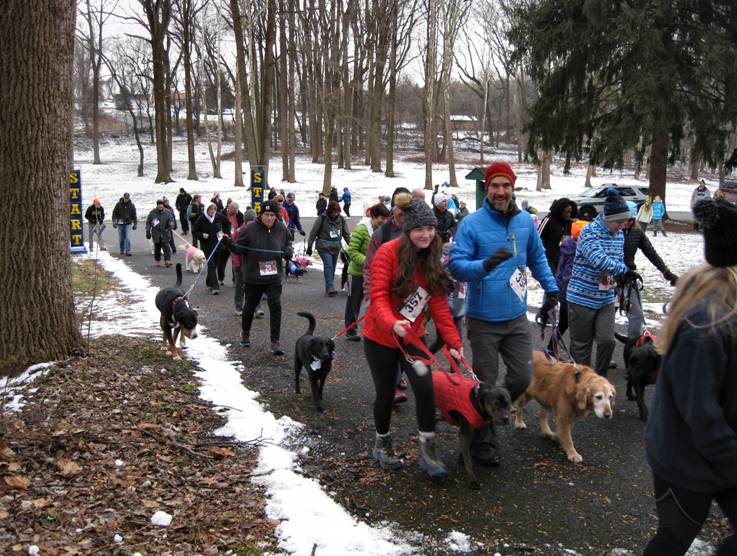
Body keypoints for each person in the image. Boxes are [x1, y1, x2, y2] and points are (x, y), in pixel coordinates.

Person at [643, 197, 737, 555]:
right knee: (672, 541)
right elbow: (699, 411)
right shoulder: (706, 324)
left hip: (722, 451)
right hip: (686, 460)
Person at [449, 161, 559, 467]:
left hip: (516, 318)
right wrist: (484, 265)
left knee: (523, 376)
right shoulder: (471, 223)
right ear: (487, 187)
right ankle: (482, 443)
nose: (500, 191)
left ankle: (491, 416)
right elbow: (455, 265)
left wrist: (551, 290)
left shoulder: (525, 221)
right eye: (495, 185)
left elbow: (537, 257)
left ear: (513, 187)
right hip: (483, 319)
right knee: (485, 384)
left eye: (505, 186)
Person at [363, 199, 463, 477]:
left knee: (425, 387)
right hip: (381, 336)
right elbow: (378, 296)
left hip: (412, 338)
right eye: (419, 228)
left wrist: (454, 343)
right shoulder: (388, 252)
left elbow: (440, 305)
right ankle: (381, 443)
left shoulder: (432, 255)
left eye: (430, 228)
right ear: (407, 230)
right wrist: (392, 322)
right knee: (386, 392)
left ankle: (428, 450)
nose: (426, 234)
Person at [566, 189, 636, 376]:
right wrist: (624, 271)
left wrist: (623, 275)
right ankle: (580, 386)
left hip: (605, 297)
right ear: (607, 218)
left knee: (607, 341)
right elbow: (599, 260)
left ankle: (599, 381)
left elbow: (619, 259)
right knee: (582, 347)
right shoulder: (589, 232)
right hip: (581, 297)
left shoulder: (619, 234)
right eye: (619, 222)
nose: (622, 226)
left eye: (625, 221)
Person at [221, 200, 292, 356]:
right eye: (266, 214)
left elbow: (288, 243)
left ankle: (275, 341)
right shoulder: (250, 228)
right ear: (261, 215)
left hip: (274, 276)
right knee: (250, 306)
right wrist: (229, 244)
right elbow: (239, 248)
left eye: (272, 215)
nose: (269, 218)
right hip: (254, 276)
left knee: (275, 305)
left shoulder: (281, 228)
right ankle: (245, 332)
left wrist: (288, 252)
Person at [622, 201, 678, 339]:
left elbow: (651, 253)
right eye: (624, 219)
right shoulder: (610, 232)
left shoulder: (636, 232)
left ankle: (632, 346)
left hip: (629, 278)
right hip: (608, 280)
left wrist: (668, 274)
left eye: (630, 220)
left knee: (637, 315)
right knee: (607, 317)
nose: (626, 223)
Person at [343, 203, 390, 341]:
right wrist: (369, 262)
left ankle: (375, 330)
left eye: (386, 218)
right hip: (357, 273)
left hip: (375, 273)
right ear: (373, 216)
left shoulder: (382, 231)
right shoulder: (361, 229)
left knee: (375, 302)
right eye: (381, 218)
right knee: (354, 302)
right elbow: (352, 251)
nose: (384, 221)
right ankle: (350, 330)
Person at [550, 219, 587, 352]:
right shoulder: (577, 251)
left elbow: (560, 272)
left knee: (564, 324)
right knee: (574, 326)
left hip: (563, 291)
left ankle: (550, 349)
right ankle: (573, 354)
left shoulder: (567, 247)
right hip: (570, 293)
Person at [307, 200, 351, 296]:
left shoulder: (342, 220)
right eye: (334, 212)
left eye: (337, 212)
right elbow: (313, 233)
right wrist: (309, 246)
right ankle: (330, 287)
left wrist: (352, 246)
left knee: (333, 267)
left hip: (336, 247)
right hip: (324, 247)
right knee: (328, 265)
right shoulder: (321, 218)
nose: (335, 214)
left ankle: (329, 286)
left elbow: (346, 235)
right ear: (330, 211)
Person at [193, 203, 229, 295]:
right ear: (207, 210)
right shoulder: (201, 219)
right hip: (207, 246)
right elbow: (194, 232)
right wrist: (202, 235)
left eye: (214, 209)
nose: (213, 211)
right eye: (211, 209)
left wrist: (224, 233)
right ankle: (215, 287)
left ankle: (209, 281)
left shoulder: (218, 216)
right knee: (211, 264)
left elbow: (227, 222)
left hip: (218, 245)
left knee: (215, 265)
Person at [537, 197, 577, 275]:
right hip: (548, 258)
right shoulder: (548, 220)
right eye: (566, 212)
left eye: (570, 212)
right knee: (553, 282)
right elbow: (537, 237)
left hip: (562, 258)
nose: (568, 215)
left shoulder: (568, 222)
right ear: (560, 210)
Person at [145, 199, 177, 267]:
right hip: (156, 233)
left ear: (163, 205)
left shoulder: (168, 212)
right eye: (159, 204)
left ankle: (167, 261)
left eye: (161, 204)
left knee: (166, 247)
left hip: (165, 232)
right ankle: (158, 260)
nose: (160, 206)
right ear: (157, 205)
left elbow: (171, 221)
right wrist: (148, 231)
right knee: (157, 248)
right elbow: (148, 222)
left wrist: (171, 226)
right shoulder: (152, 213)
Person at [221, 202, 244, 285]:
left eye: (236, 211)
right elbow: (219, 226)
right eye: (234, 211)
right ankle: (221, 278)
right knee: (222, 260)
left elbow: (243, 225)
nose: (236, 213)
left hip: (235, 240)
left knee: (235, 260)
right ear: (230, 208)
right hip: (225, 240)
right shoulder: (222, 214)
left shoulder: (239, 214)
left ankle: (235, 279)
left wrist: (239, 229)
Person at [111, 192, 137, 256]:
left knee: (128, 237)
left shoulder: (132, 205)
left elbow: (134, 215)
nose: (126, 199)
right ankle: (122, 249)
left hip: (128, 223)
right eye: (125, 198)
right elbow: (114, 213)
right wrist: (114, 222)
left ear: (129, 198)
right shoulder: (118, 204)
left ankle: (127, 251)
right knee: (121, 238)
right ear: (123, 197)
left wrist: (135, 224)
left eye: (127, 198)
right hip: (120, 224)